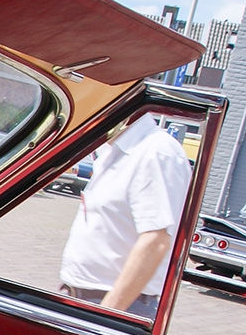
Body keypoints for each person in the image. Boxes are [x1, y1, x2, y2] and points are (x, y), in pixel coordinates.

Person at [58, 114, 191, 317]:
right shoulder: (116, 150)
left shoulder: (155, 152)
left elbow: (155, 240)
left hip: (115, 304)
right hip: (85, 298)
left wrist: (107, 314)